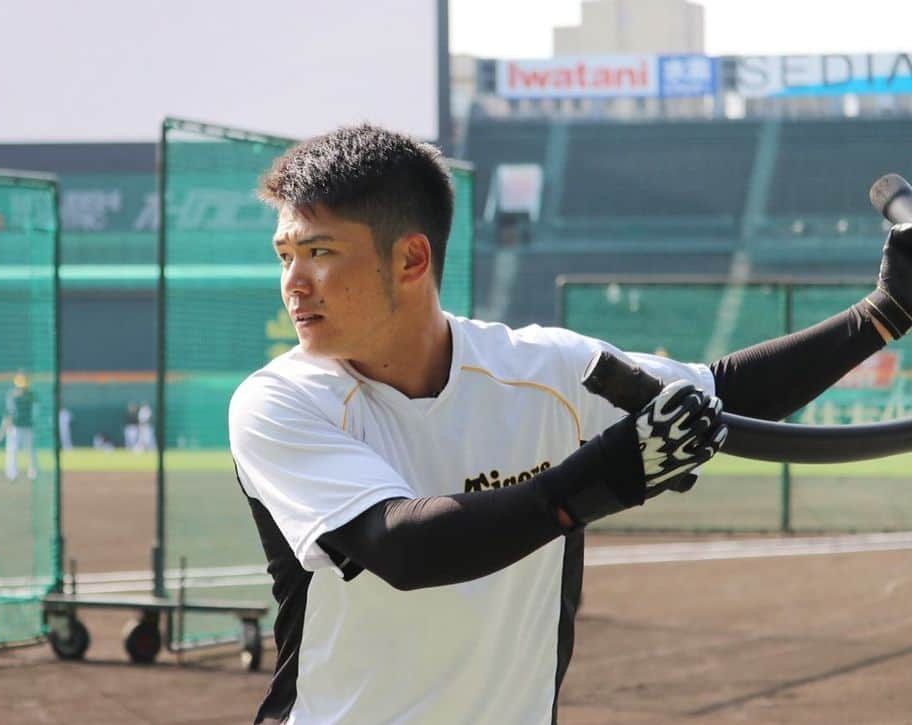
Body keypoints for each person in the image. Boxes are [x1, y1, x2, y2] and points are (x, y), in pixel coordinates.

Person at [227, 124, 912, 723]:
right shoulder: (280, 403)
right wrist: (610, 473)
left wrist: (885, 311)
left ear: (410, 258)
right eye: (286, 255)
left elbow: (725, 395)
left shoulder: (546, 371)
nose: (294, 281)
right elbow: (405, 548)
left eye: (319, 252)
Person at [5, 372, 40, 481]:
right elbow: (9, 410)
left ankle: (33, 472)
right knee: (12, 450)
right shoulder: (12, 395)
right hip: (15, 427)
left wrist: (35, 422)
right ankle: (12, 473)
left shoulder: (32, 395)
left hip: (28, 427)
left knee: (30, 450)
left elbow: (36, 411)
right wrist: (7, 421)